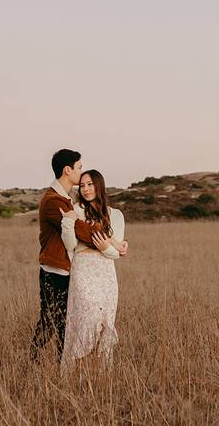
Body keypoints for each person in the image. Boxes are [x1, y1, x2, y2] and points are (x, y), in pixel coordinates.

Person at [30, 149, 109, 362]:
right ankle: (37, 363)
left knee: (63, 322)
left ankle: (58, 365)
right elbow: (81, 230)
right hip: (54, 273)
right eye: (79, 167)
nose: (81, 171)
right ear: (68, 170)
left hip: (66, 270)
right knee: (53, 322)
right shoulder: (52, 201)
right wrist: (109, 238)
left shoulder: (66, 197)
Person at [60, 169, 127, 365]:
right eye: (82, 185)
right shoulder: (76, 209)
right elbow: (70, 245)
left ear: (99, 185)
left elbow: (118, 252)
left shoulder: (116, 215)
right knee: (87, 316)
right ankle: (76, 367)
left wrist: (106, 247)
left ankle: (100, 372)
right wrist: (68, 222)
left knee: (106, 320)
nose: (86, 189)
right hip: (83, 267)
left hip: (106, 269)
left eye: (90, 184)